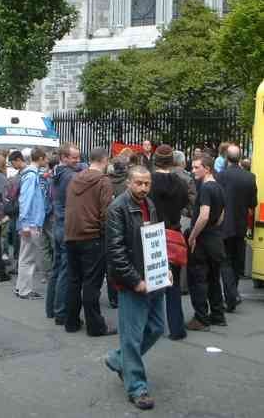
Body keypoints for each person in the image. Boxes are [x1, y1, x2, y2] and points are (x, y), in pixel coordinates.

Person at [105, 166, 165, 411]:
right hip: (132, 283)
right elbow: (116, 252)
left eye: (147, 183)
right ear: (129, 183)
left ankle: (118, 359)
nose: (143, 188)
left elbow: (155, 240)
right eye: (139, 183)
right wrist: (134, 280)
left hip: (153, 278)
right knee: (132, 337)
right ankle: (137, 388)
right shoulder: (117, 208)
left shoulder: (149, 204)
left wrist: (164, 268)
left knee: (157, 327)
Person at [64, 147, 116, 336]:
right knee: (91, 284)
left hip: (72, 235)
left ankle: (71, 321)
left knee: (74, 280)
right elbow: (106, 213)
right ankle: (95, 326)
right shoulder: (103, 182)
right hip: (92, 236)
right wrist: (106, 235)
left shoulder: (74, 179)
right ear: (105, 160)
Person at [149, 145, 189, 341]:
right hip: (173, 232)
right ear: (173, 161)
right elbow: (183, 205)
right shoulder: (181, 183)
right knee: (173, 284)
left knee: (150, 282)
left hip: (151, 233)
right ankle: (176, 328)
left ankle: (150, 325)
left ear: (155, 160)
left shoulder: (148, 182)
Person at [186, 154, 227, 331]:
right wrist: (214, 228)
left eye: (196, 167)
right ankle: (217, 314)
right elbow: (221, 215)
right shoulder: (218, 187)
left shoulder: (206, 188)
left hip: (202, 242)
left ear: (207, 168)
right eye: (193, 167)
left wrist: (193, 236)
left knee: (198, 280)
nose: (193, 170)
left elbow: (204, 216)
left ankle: (201, 318)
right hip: (215, 240)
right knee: (213, 279)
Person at [217, 145, 257, 312]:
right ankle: (233, 293)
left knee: (225, 261)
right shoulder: (249, 177)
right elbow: (252, 204)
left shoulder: (220, 176)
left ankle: (231, 294)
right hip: (240, 224)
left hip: (224, 224)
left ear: (226, 158)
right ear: (240, 158)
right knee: (236, 261)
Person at [46, 143, 82, 321]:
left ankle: (51, 308)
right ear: (64, 158)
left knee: (57, 268)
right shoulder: (70, 176)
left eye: (78, 157)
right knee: (65, 271)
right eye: (74, 157)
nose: (78, 160)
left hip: (58, 224)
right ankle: (60, 312)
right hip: (66, 226)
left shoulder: (57, 172)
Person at [9, 150, 45, 300]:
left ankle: (21, 288)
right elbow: (26, 200)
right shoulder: (31, 175)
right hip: (31, 222)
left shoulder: (28, 174)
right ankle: (24, 290)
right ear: (41, 158)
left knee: (25, 257)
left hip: (28, 222)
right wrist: (25, 224)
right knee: (28, 258)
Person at [172, 150, 196, 217]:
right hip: (183, 216)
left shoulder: (166, 174)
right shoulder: (187, 179)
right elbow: (193, 201)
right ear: (183, 162)